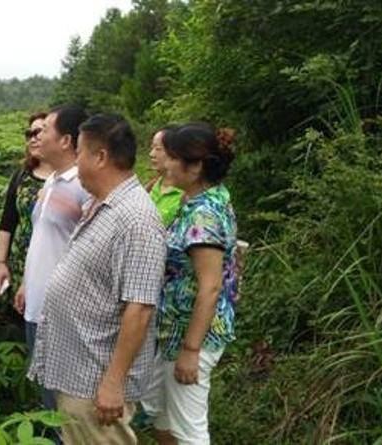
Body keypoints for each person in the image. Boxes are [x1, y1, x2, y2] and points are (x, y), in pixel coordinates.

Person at [28, 113, 166, 444]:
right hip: (77, 372)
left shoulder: (137, 220)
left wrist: (114, 382)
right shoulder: (102, 206)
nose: (75, 161)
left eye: (80, 153)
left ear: (100, 157)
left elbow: (141, 307)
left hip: (96, 380)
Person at [148, 123, 239, 445]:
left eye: (171, 157)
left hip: (193, 335)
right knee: (163, 419)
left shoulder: (204, 214)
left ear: (196, 166)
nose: (165, 164)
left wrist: (190, 351)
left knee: (189, 431)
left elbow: (210, 286)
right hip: (173, 329)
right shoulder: (197, 199)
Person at [14, 105, 90, 411]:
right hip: (36, 303)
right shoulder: (51, 181)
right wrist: (25, 284)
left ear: (66, 141)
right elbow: (42, 240)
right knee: (46, 395)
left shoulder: (84, 186)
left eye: (43, 129)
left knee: (64, 401)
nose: (35, 136)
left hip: (62, 310)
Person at [0, 112, 53, 295]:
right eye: (29, 134)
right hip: (21, 263)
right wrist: (0, 262)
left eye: (39, 132)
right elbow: (7, 222)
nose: (33, 139)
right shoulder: (22, 176)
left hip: (55, 265)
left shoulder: (70, 179)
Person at [146, 128, 184, 227]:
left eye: (158, 149)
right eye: (152, 148)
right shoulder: (151, 187)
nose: (152, 154)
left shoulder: (185, 194)